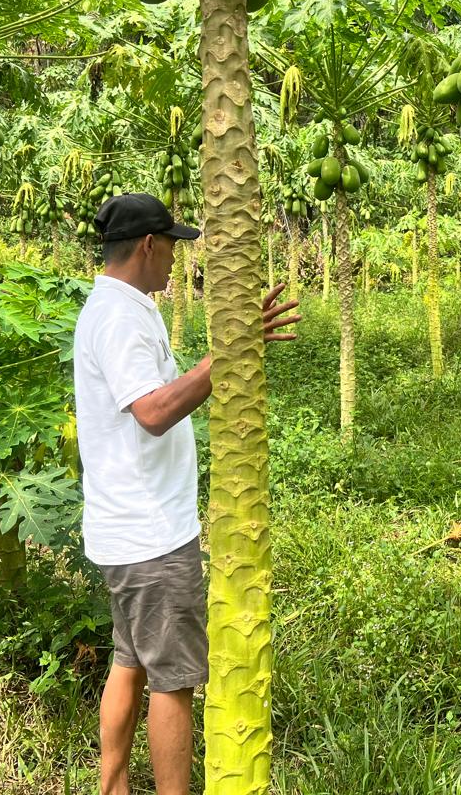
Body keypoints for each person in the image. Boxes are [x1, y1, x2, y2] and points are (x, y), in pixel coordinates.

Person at [73, 192, 301, 795]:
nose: (178, 259)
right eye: (173, 245)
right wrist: (230, 352)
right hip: (150, 537)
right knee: (171, 680)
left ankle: (113, 785)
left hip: (128, 529)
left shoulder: (123, 305)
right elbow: (151, 411)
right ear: (148, 245)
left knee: (130, 662)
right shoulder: (119, 317)